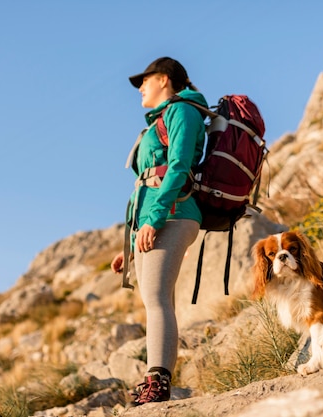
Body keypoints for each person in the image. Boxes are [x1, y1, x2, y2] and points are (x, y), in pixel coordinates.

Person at [110, 57, 208, 406]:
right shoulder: (161, 120)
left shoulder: (182, 112)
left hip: (174, 212)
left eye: (145, 80)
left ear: (164, 79)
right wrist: (132, 242)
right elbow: (146, 184)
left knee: (156, 299)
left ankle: (158, 384)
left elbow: (179, 168)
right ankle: (155, 381)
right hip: (159, 215)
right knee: (157, 299)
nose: (140, 87)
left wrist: (153, 219)